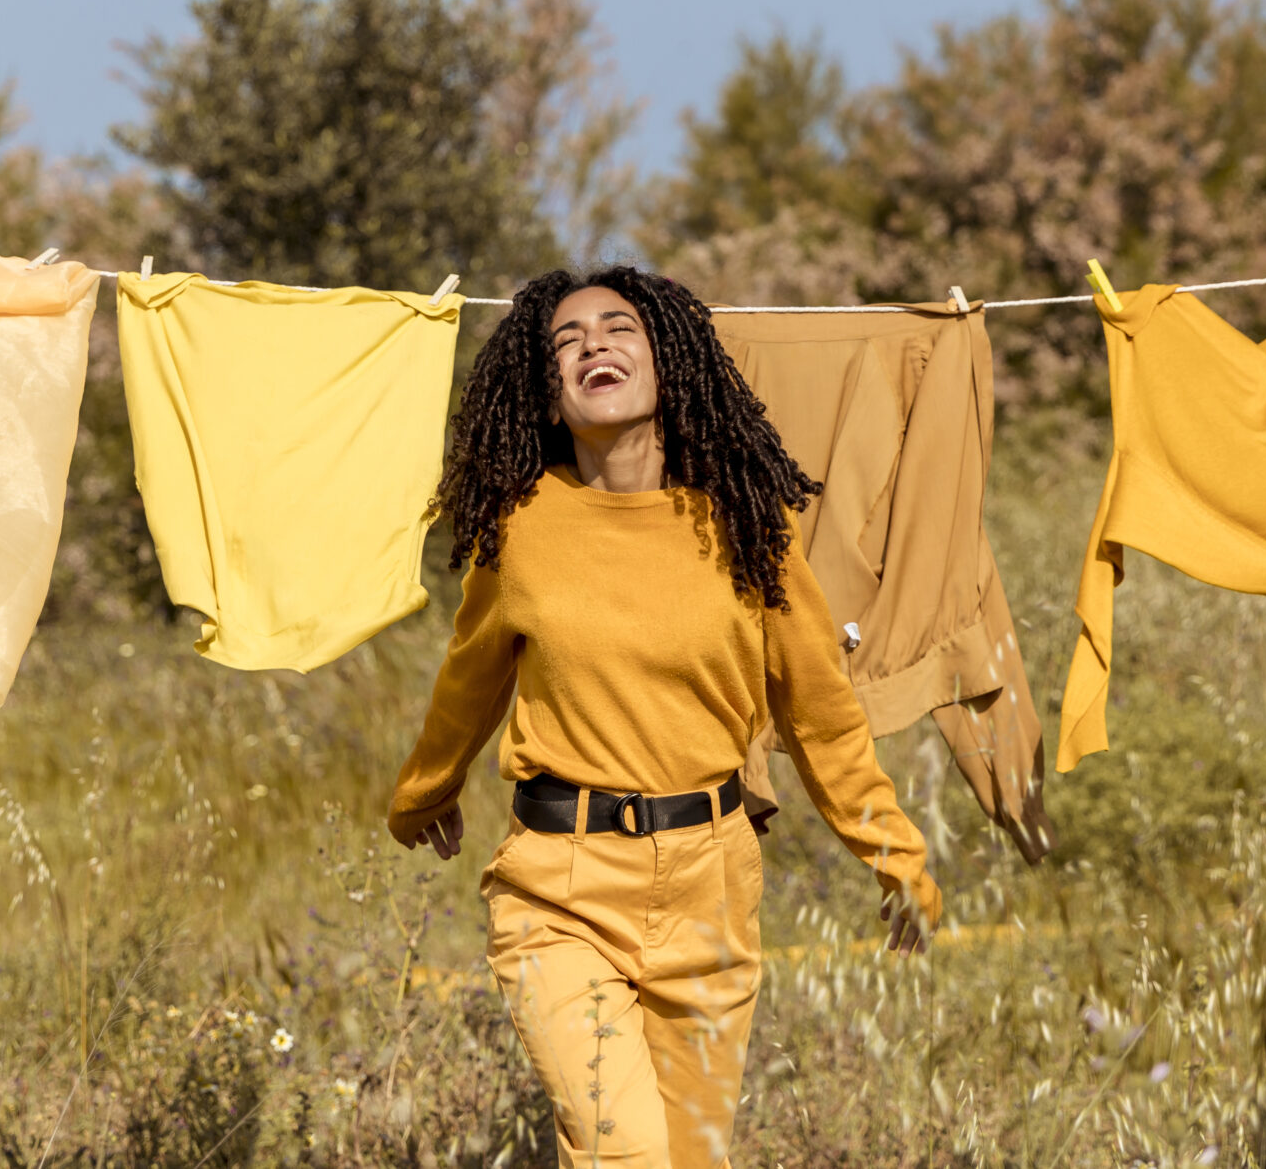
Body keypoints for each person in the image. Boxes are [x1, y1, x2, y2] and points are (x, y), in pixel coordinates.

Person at [388, 266, 942, 1169]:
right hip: (559, 887)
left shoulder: (744, 523)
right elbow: (470, 678)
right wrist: (422, 791)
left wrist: (893, 850)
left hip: (713, 883)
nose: (593, 345)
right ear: (548, 391)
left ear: (668, 365)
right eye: (567, 340)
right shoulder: (521, 528)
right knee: (626, 1151)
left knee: (692, 1158)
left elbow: (821, 714)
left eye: (618, 329)